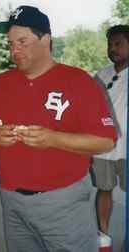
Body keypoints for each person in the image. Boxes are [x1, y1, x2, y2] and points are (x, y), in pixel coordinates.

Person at [0, 5, 117, 252]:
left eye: (22, 41)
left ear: (45, 39)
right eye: (11, 43)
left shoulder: (78, 82)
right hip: (11, 201)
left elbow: (105, 141)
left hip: (64, 202)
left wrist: (53, 139)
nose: (14, 49)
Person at [92, 25, 129, 235]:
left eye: (118, 44)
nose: (113, 49)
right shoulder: (101, 75)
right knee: (103, 189)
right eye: (110, 44)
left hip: (127, 147)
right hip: (103, 147)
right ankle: (103, 235)